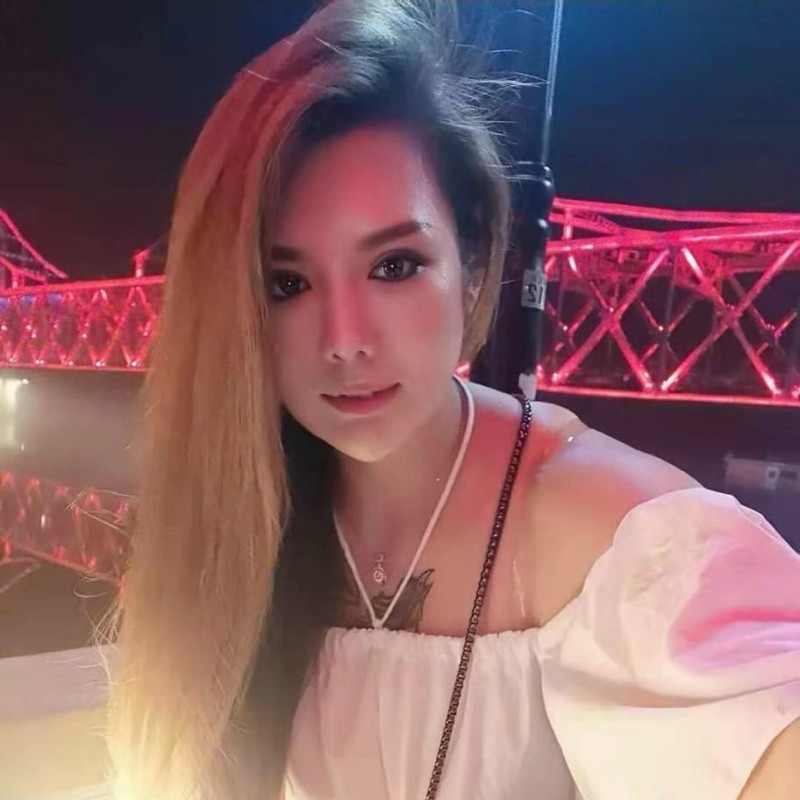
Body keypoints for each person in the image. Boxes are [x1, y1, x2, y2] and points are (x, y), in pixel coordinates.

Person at [96, 1, 800, 798]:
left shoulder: (608, 531)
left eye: (394, 266)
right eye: (286, 284)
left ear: (472, 265)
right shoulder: (239, 518)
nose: (345, 340)